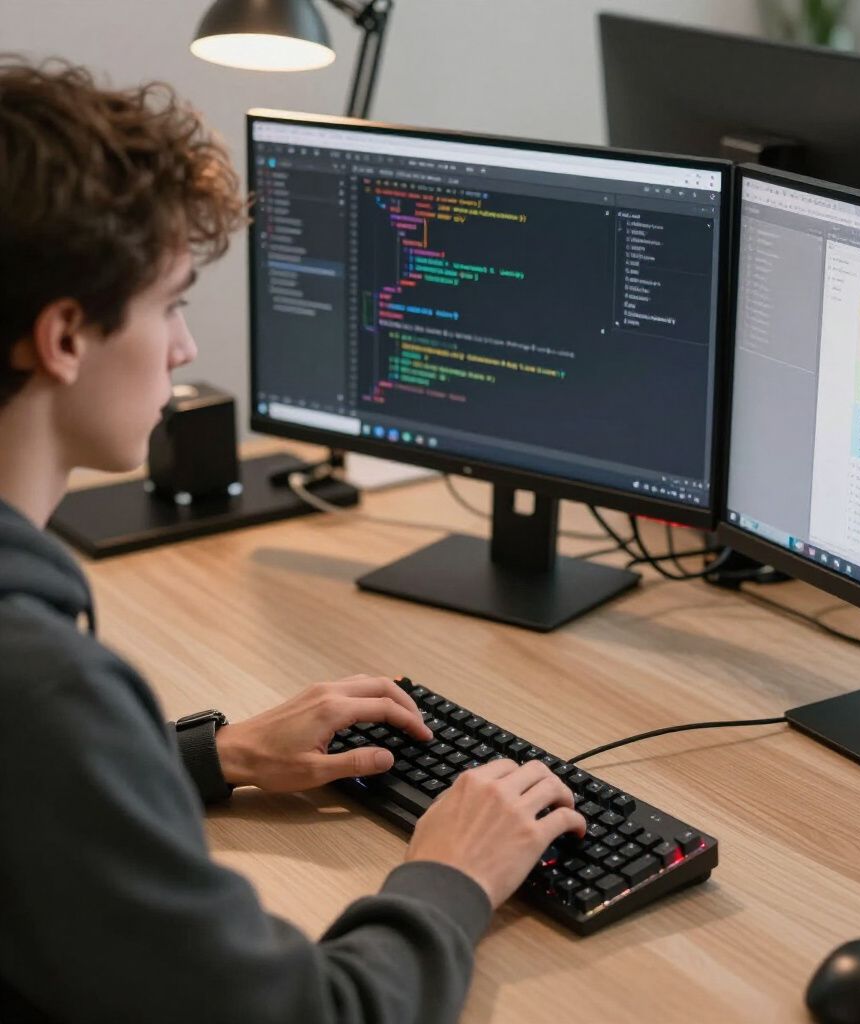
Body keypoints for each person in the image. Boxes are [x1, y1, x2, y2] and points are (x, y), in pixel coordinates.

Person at [0, 59, 586, 1024]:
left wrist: (206, 755)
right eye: (173, 304)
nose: (185, 350)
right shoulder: (40, 690)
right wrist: (449, 874)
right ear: (64, 336)